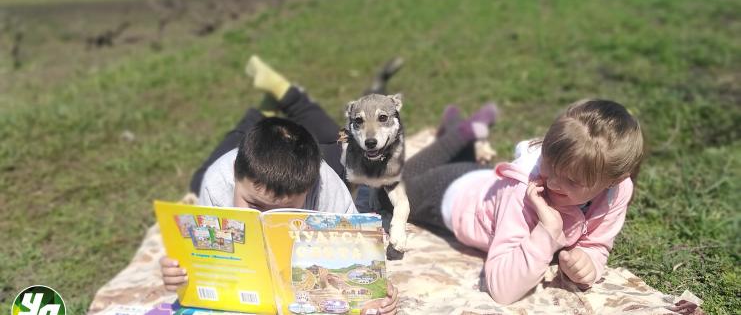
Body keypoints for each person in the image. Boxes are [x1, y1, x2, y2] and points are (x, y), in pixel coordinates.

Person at [160, 56, 398, 313]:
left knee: (341, 143)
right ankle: (264, 112)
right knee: (200, 179)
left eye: (283, 210)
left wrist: (373, 294)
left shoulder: (325, 186)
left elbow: (357, 253)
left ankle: (285, 96)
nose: (264, 218)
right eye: (252, 204)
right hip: (246, 154)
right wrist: (180, 273)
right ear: (235, 179)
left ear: (308, 190)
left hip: (309, 159)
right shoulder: (219, 183)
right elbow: (205, 262)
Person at [403, 99, 645, 305]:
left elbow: (596, 244)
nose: (552, 184)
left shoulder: (617, 190)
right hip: (448, 195)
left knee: (462, 163)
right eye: (548, 164)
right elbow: (502, 289)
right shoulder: (522, 190)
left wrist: (588, 262)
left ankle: (463, 134)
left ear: (612, 181)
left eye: (571, 180)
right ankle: (464, 132)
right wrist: (548, 231)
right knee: (392, 187)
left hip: (483, 181)